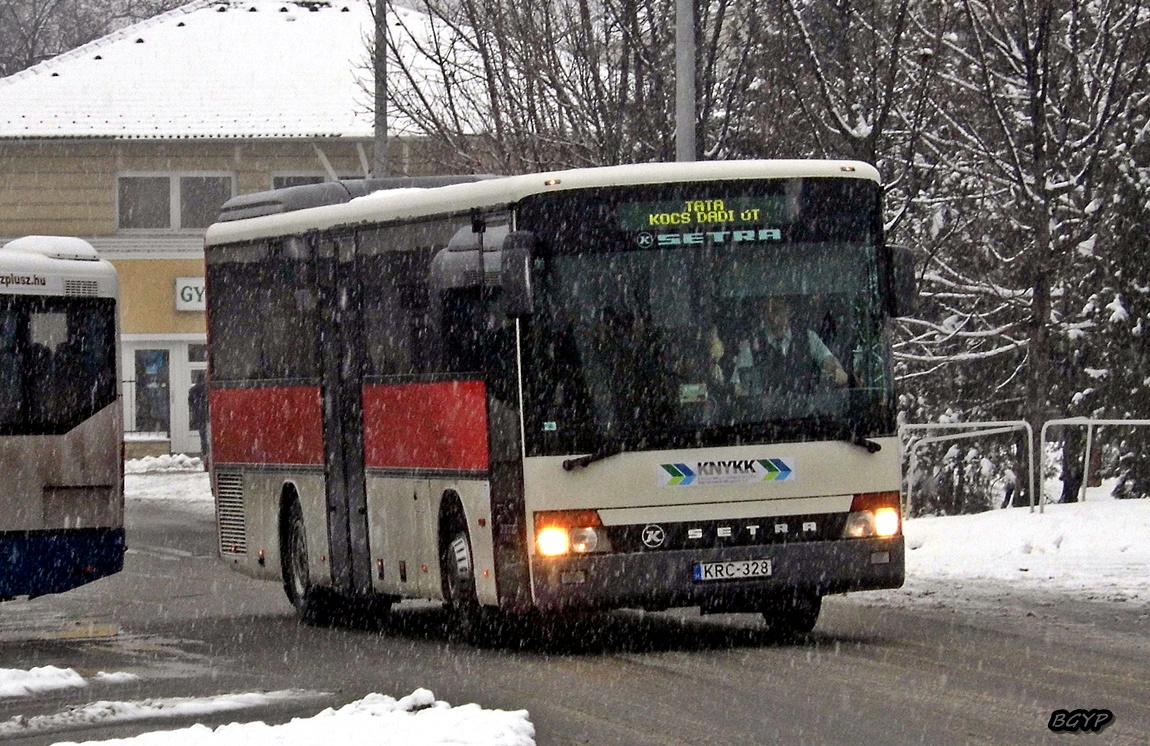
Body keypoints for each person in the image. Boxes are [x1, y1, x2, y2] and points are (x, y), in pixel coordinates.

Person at [731, 295, 848, 395]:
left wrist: (836, 370)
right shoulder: (750, 345)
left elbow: (828, 360)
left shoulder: (808, 338)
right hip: (764, 417)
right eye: (768, 311)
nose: (773, 317)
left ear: (788, 311)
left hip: (806, 414)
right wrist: (746, 394)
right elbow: (739, 386)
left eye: (777, 310)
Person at [188, 373, 209, 469]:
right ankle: (208, 459)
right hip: (207, 417)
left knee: (203, 439)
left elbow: (191, 405)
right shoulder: (207, 390)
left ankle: (205, 460)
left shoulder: (193, 390)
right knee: (208, 439)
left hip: (199, 418)